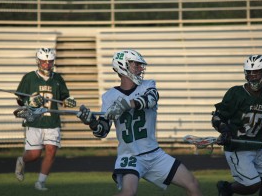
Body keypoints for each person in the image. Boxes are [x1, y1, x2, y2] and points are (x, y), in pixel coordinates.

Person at [77, 49, 202, 196]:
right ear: (122, 66)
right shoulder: (109, 96)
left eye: (140, 65)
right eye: (136, 65)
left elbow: (152, 99)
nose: (140, 68)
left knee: (192, 184)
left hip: (154, 154)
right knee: (128, 192)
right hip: (130, 156)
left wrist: (127, 104)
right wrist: (91, 122)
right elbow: (102, 131)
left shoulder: (147, 85)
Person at [211, 55, 262, 196]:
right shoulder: (236, 93)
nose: (253, 76)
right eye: (249, 72)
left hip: (257, 145)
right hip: (238, 147)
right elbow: (217, 117)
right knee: (253, 185)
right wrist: (224, 130)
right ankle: (227, 189)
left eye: (257, 72)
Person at [14, 48, 76, 191]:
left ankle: (40, 182)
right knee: (34, 155)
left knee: (51, 150)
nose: (47, 64)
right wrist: (30, 102)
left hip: (52, 121)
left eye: (50, 62)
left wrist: (68, 100)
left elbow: (63, 98)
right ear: (38, 61)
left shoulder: (58, 79)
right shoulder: (29, 77)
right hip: (34, 121)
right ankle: (22, 160)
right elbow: (20, 100)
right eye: (44, 61)